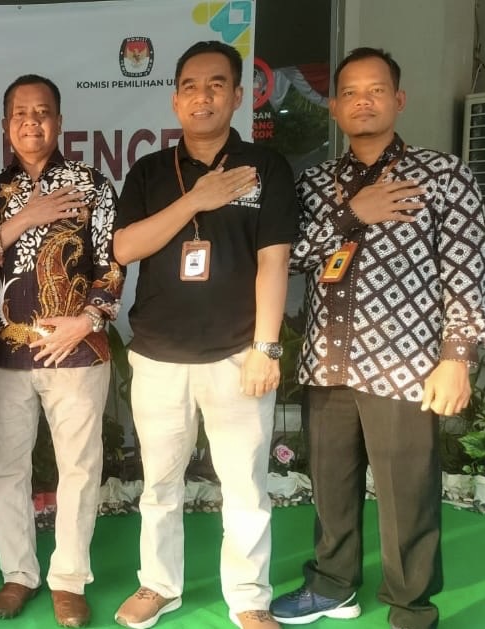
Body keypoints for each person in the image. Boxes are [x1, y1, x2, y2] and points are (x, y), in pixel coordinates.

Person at [270, 48, 485, 629]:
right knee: (331, 488)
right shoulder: (315, 183)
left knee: (406, 493)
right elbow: (287, 258)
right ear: (334, 107)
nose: (362, 101)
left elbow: (468, 268)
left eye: (375, 90)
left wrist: (457, 357)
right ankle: (333, 585)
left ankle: (411, 605)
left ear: (399, 99)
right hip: (327, 361)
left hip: (405, 364)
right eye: (350, 92)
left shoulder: (442, 174)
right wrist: (352, 214)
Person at [111, 41, 297, 629]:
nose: (203, 96)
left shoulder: (264, 168)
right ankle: (158, 585)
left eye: (217, 84)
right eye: (190, 86)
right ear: (175, 99)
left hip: (237, 353)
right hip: (159, 355)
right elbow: (124, 248)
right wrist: (197, 199)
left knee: (244, 486)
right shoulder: (149, 171)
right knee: (159, 485)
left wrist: (266, 348)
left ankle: (248, 596)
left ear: (238, 96)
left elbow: (274, 261)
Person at [0, 74, 125, 629]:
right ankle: (19, 573)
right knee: (6, 467)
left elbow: (112, 264)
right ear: (5, 125)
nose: (31, 121)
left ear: (59, 120)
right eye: (21, 113)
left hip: (76, 351)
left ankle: (68, 579)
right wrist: (24, 219)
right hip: (5, 354)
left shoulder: (91, 185)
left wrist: (86, 320)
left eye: (42, 112)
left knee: (79, 467)